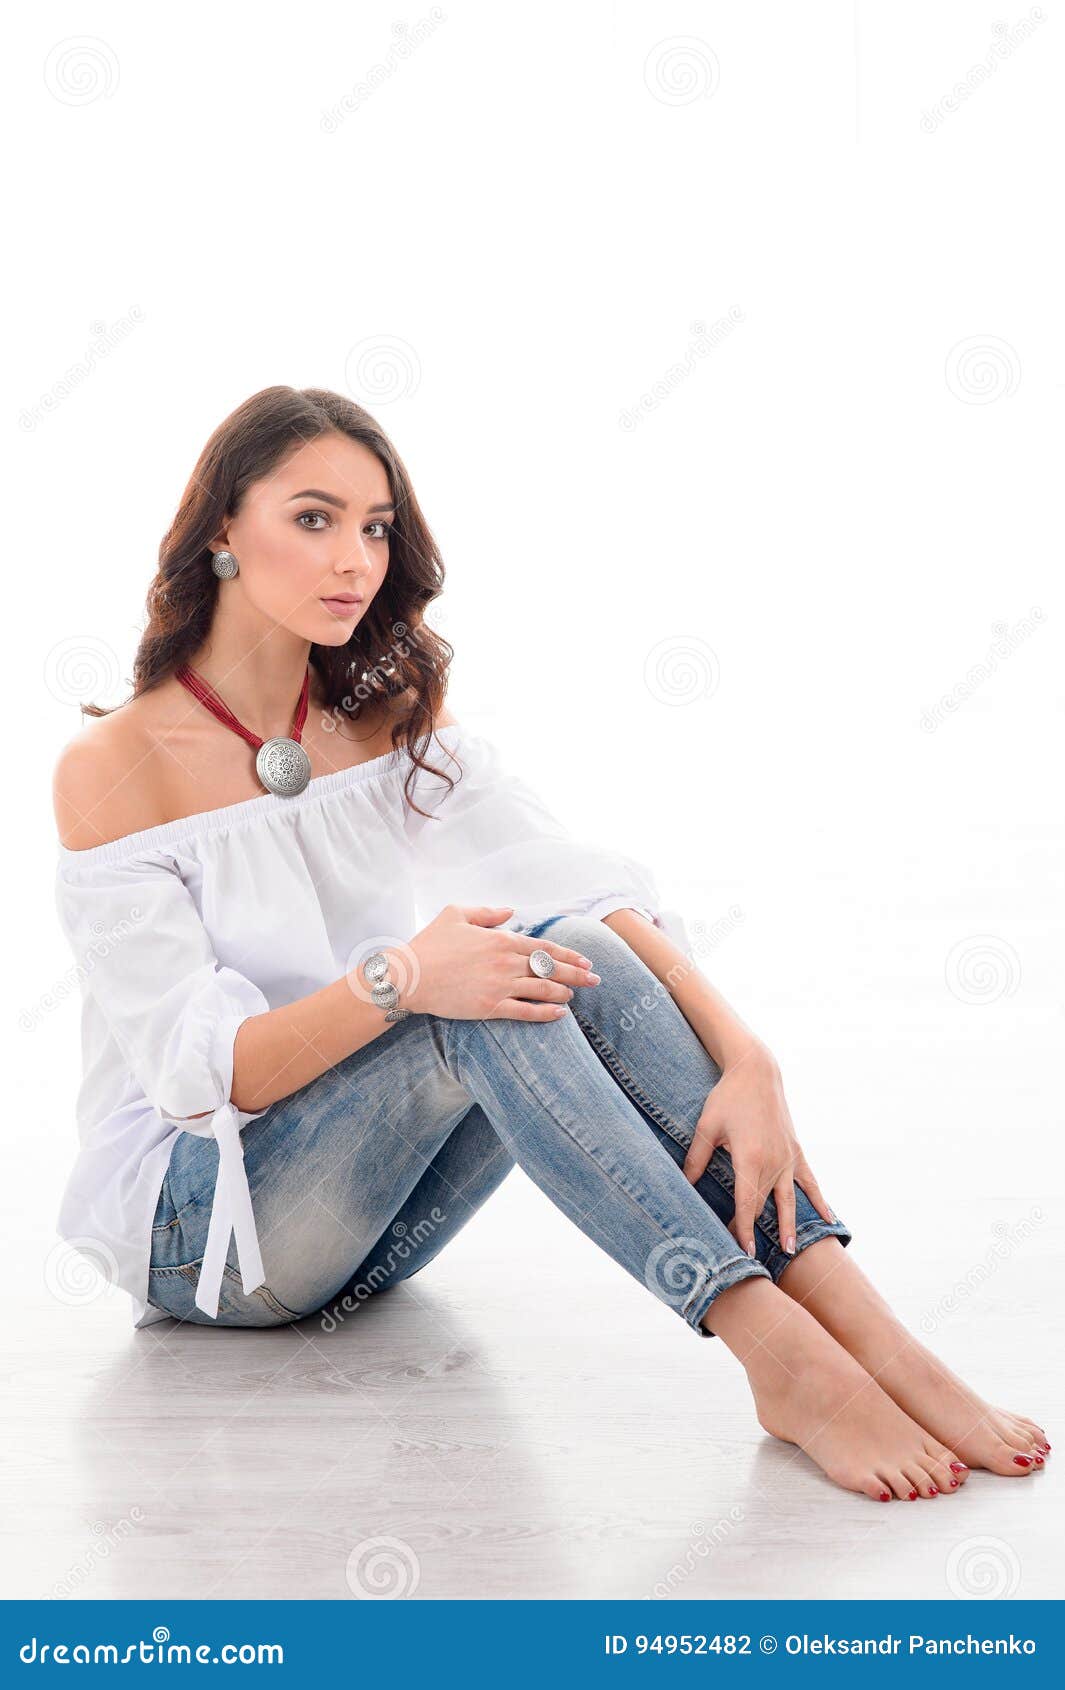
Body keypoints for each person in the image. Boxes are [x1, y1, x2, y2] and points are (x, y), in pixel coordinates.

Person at [52, 386, 1049, 1505]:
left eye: (377, 527)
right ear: (223, 530)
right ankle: (781, 1356)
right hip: (212, 1236)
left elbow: (580, 891)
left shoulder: (382, 711)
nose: (356, 560)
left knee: (552, 945)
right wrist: (401, 980)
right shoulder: (114, 768)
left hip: (367, 1239)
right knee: (462, 996)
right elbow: (208, 1080)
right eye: (315, 518)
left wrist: (747, 1053)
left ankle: (876, 1337)